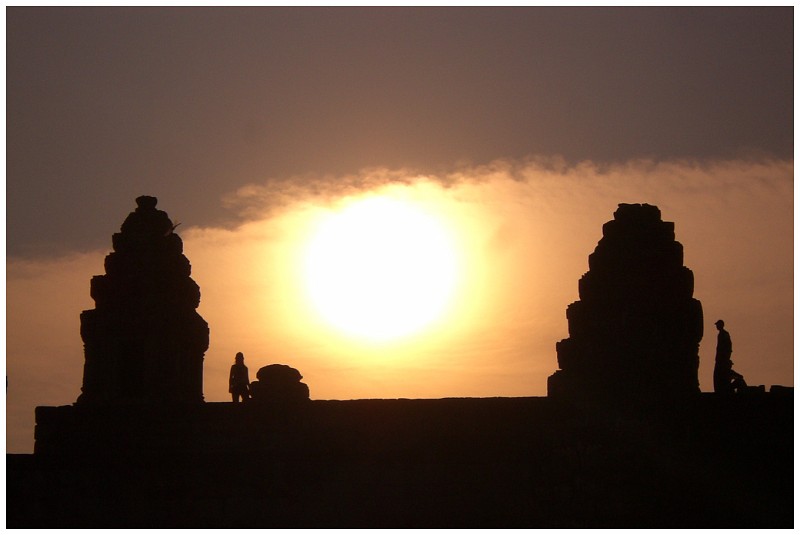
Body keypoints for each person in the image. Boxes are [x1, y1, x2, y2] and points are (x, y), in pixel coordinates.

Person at [713, 320, 746, 394]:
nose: (717, 326)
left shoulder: (724, 334)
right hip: (724, 390)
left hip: (722, 358)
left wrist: (724, 356)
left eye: (718, 325)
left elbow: (727, 346)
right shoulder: (722, 334)